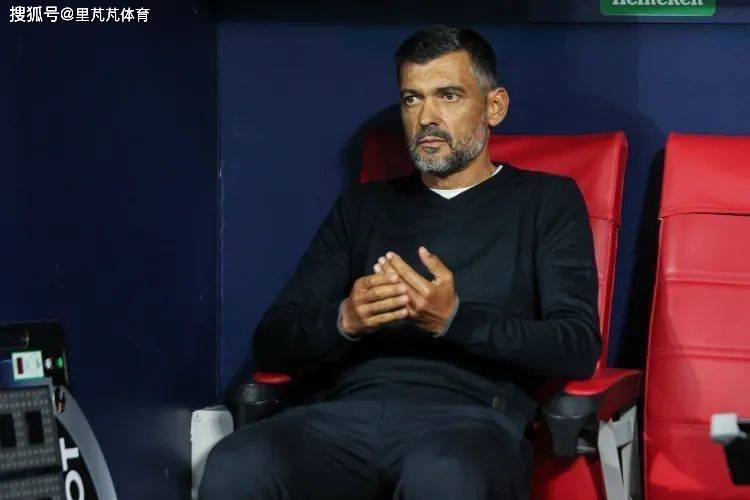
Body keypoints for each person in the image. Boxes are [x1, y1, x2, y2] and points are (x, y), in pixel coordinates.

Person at [200, 25, 601, 500]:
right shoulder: (364, 207)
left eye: (448, 95)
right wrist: (344, 319)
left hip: (471, 420)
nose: (426, 117)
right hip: (345, 415)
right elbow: (273, 341)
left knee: (444, 478)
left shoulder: (546, 201)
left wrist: (455, 320)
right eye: (412, 99)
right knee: (236, 463)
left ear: (493, 107)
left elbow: (577, 344)